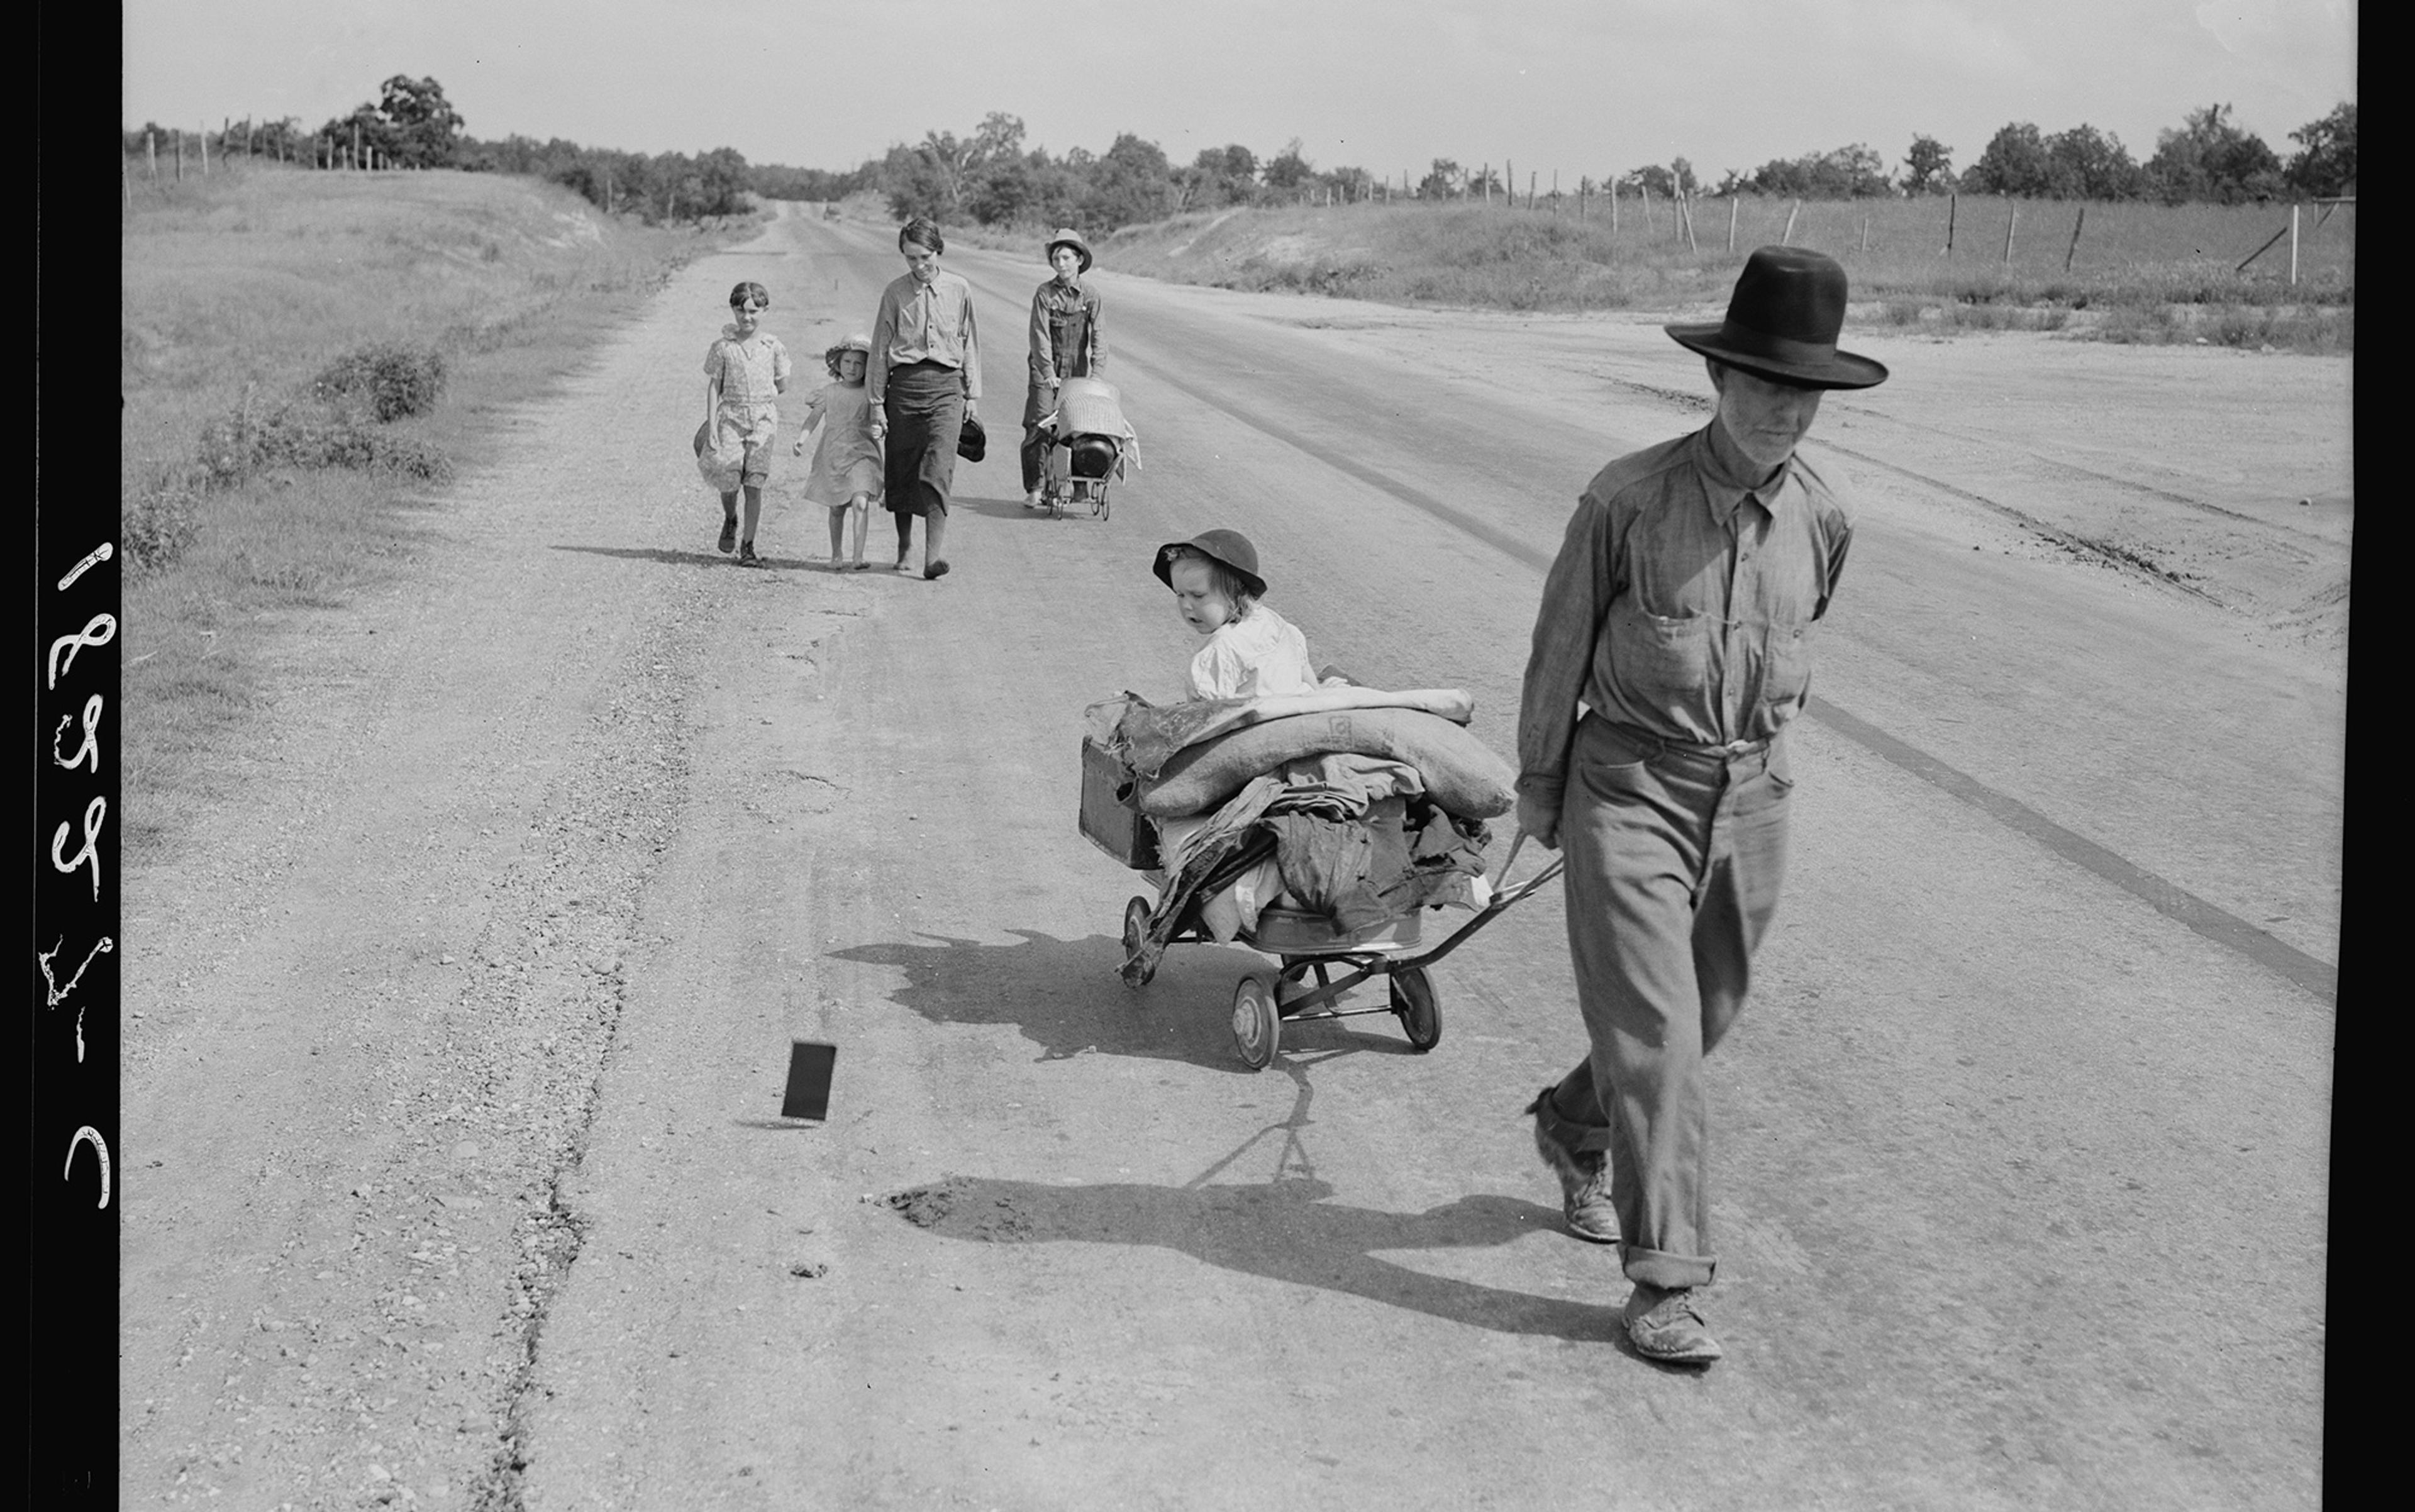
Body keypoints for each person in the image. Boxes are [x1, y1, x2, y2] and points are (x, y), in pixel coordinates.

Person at [1513, 245, 1888, 1365]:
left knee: (1706, 1011)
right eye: (1765, 384)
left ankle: (1574, 1126)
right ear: (1718, 380)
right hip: (1627, 784)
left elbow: (1803, 625)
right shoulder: (1627, 498)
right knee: (1662, 1032)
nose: (1784, 411)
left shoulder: (1826, 513)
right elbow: (1558, 650)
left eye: (1804, 392)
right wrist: (1539, 783)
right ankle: (1665, 1279)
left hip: (1754, 792)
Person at [867, 217, 980, 580]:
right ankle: (905, 545)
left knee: (938, 469)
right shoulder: (895, 292)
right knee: (904, 469)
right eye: (910, 258)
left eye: (925, 256)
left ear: (939, 250)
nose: (918, 265)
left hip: (947, 389)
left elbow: (969, 342)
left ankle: (934, 557)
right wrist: (875, 402)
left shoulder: (959, 289)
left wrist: (972, 393)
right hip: (903, 389)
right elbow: (881, 348)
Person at [1152, 530, 1324, 701]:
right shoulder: (1273, 622)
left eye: (1198, 596)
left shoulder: (1218, 652)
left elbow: (1203, 716)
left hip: (1257, 725)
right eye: (1180, 595)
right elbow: (1307, 675)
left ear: (1235, 592)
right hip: (1295, 717)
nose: (1186, 606)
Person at [696, 281, 792, 567]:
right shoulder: (723, 347)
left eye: (753, 311)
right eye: (741, 311)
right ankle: (730, 517)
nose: (747, 318)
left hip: (762, 420)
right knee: (729, 479)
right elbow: (715, 387)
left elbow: (783, 383)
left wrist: (766, 396)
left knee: (754, 483)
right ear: (733, 310)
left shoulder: (773, 347)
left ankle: (748, 546)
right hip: (731, 418)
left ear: (765, 310)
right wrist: (712, 426)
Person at [1021, 228, 1105, 509]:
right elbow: (1039, 336)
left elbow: (1099, 339)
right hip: (1045, 370)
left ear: (1079, 260)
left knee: (1080, 426)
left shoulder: (1091, 296)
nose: (1061, 264)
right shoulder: (1045, 294)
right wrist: (1048, 373)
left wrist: (1096, 377)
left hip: (1077, 371)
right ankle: (1035, 487)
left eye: (1067, 258)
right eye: (1056, 259)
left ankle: (1079, 485)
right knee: (1040, 423)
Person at [792, 333, 882, 570]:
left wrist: (879, 430)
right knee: (837, 508)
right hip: (834, 453)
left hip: (862, 451)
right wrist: (802, 439)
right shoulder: (829, 392)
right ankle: (836, 554)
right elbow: (812, 419)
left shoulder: (871, 395)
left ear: (867, 367)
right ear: (838, 364)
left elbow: (879, 421)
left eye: (859, 363)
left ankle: (858, 556)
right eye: (848, 363)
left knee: (860, 501)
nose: (852, 368)